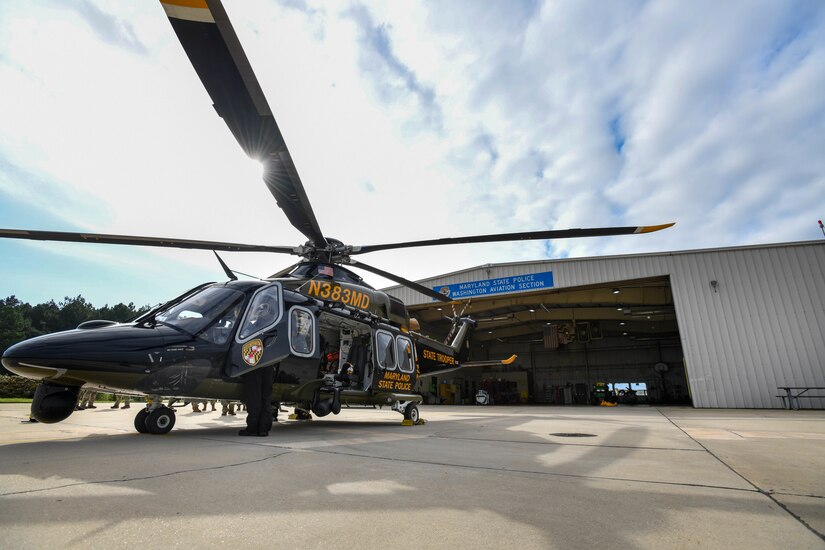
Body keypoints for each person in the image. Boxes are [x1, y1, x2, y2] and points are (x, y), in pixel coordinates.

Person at [239, 365, 274, 437]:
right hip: (269, 363)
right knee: (266, 398)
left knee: (254, 397)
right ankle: (263, 428)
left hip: (254, 363)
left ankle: (253, 428)